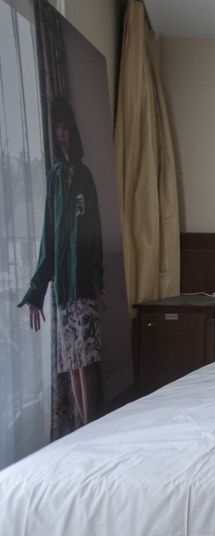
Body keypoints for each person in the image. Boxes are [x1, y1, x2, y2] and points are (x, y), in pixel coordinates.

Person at [19, 96, 105, 425]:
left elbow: (94, 233)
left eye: (64, 126)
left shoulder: (85, 176)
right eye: (56, 127)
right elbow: (49, 236)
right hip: (62, 291)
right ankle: (83, 428)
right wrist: (36, 290)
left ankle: (91, 426)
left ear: (72, 130)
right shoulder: (54, 177)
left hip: (83, 285)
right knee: (71, 361)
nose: (60, 133)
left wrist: (99, 281)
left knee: (86, 359)